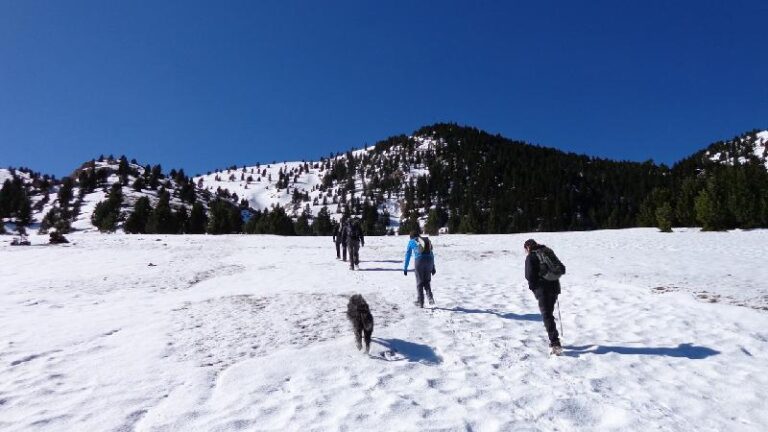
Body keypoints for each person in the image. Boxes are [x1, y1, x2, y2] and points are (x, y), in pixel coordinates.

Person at [524, 239, 562, 354]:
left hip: (542, 289)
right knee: (549, 314)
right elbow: (560, 268)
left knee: (547, 315)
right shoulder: (548, 252)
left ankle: (555, 343)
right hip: (554, 288)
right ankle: (554, 338)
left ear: (528, 247)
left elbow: (529, 275)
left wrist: (533, 288)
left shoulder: (531, 257)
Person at [403, 229, 436, 308]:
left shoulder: (411, 242)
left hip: (419, 261)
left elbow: (408, 255)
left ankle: (420, 302)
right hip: (429, 261)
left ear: (411, 237)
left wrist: (405, 268)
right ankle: (430, 298)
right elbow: (431, 253)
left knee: (420, 283)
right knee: (427, 281)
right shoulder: (425, 241)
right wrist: (433, 267)